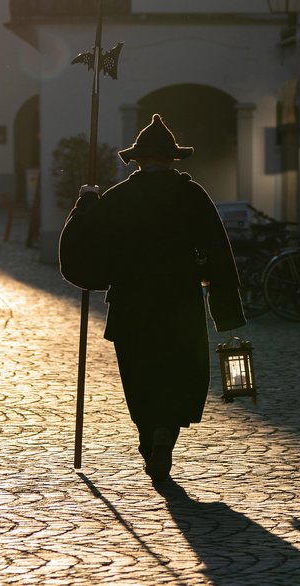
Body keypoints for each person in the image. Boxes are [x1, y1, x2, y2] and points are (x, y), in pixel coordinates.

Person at [59, 114, 246, 482]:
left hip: (131, 306)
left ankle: (149, 440)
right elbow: (218, 253)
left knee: (141, 376)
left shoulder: (118, 198)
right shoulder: (192, 196)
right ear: (173, 159)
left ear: (139, 160)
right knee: (178, 375)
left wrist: (85, 204)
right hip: (181, 304)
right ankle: (164, 439)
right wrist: (225, 311)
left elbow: (86, 242)